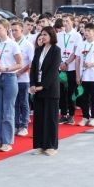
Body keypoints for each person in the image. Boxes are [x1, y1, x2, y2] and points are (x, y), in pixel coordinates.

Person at [0, 19, 22, 152]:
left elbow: (20, 63)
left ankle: (7, 141)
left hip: (9, 78)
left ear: (6, 29)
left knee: (8, 110)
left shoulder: (13, 44)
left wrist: (6, 69)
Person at [29, 26, 62, 156]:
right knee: (39, 118)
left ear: (51, 36)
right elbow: (34, 68)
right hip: (37, 88)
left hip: (50, 88)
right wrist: (32, 84)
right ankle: (40, 145)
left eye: (45, 34)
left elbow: (54, 70)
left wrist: (43, 86)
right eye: (41, 34)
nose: (42, 37)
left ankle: (51, 146)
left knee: (50, 118)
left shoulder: (56, 50)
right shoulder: (38, 50)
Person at [57, 14, 82, 125]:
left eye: (67, 21)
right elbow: (56, 50)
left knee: (71, 91)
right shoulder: (58, 35)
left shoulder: (77, 35)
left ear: (72, 22)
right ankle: (63, 114)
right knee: (61, 92)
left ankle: (71, 115)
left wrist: (67, 62)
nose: (65, 23)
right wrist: (60, 63)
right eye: (64, 21)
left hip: (71, 68)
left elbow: (76, 52)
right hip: (60, 67)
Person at [11, 21, 35, 137]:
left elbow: (31, 63)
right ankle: (16, 124)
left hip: (23, 78)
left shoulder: (27, 44)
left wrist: (20, 71)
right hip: (11, 78)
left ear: (21, 30)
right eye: (12, 30)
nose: (14, 32)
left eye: (16, 30)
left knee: (24, 102)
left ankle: (24, 125)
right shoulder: (10, 43)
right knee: (14, 103)